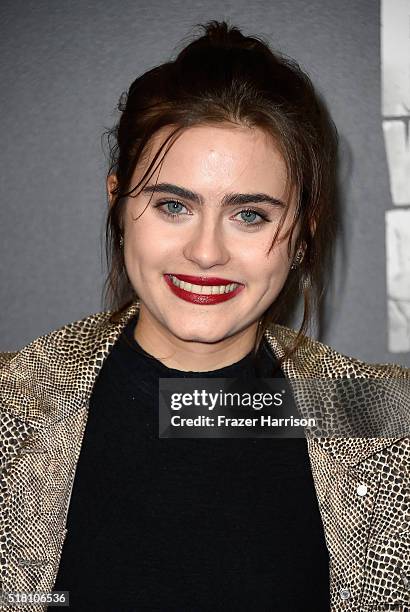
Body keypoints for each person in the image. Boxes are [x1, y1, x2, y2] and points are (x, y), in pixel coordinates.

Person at [0, 19, 409, 612]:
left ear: (302, 235)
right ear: (117, 203)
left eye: (250, 215)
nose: (207, 252)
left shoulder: (387, 426)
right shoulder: (15, 409)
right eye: (173, 205)